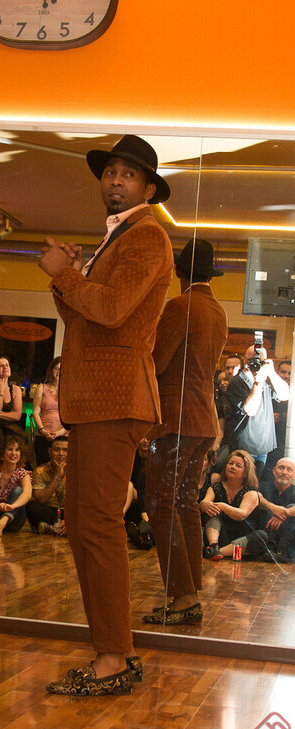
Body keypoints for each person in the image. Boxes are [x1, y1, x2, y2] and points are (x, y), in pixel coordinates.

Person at [38, 134, 173, 696]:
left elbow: (113, 310)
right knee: (84, 525)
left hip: (116, 398)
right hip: (98, 398)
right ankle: (115, 650)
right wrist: (68, 276)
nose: (115, 180)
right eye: (110, 171)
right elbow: (85, 317)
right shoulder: (116, 238)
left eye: (128, 174)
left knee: (96, 525)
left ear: (148, 189)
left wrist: (66, 274)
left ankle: (114, 658)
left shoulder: (147, 237)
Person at [144, 238, 228, 625]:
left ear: (178, 271)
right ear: (211, 274)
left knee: (161, 503)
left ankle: (184, 596)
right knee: (184, 503)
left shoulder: (180, 306)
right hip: (203, 420)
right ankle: (189, 593)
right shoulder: (218, 311)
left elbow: (156, 361)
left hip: (176, 420)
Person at [224, 344, 289, 478]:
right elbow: (250, 409)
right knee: (242, 484)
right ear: (245, 360)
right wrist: (257, 383)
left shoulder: (267, 378)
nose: (254, 363)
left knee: (255, 485)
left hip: (264, 446)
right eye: (250, 359)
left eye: (259, 360)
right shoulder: (237, 382)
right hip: (244, 446)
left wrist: (271, 372)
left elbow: (285, 395)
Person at [200, 450, 260, 560]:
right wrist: (204, 504)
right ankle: (213, 547)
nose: (232, 467)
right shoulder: (215, 487)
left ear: (246, 472)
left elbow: (241, 515)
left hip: (240, 538)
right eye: (230, 463)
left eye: (238, 466)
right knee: (213, 510)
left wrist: (223, 506)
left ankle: (214, 552)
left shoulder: (251, 492)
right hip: (218, 536)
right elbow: (205, 503)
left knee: (261, 536)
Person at [26, 435, 67, 535]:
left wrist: (70, 520)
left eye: (65, 450)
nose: (61, 453)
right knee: (31, 507)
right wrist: (57, 477)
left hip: (69, 513)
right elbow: (41, 500)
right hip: (50, 511)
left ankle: (50, 528)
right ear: (50, 452)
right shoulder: (40, 471)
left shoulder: (78, 471)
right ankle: (61, 529)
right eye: (57, 450)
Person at [32, 357, 68, 465]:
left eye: (62, 369)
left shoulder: (69, 390)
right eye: (56, 368)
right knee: (43, 467)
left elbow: (71, 416)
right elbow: (35, 412)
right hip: (43, 435)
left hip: (63, 436)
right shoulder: (41, 388)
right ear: (51, 370)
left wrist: (60, 433)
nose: (59, 371)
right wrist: (43, 430)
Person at [258, 457, 295, 562]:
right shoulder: (263, 485)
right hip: (265, 533)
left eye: (289, 469)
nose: (284, 472)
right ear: (274, 471)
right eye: (281, 468)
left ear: (294, 475)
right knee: (265, 508)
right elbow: (257, 498)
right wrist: (273, 508)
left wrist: (285, 512)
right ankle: (269, 548)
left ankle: (282, 550)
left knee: (291, 506)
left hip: (287, 538)